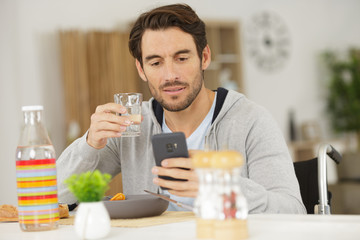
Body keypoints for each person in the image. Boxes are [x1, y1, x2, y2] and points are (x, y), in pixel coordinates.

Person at [57, 3, 306, 214]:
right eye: (156, 62)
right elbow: (55, 196)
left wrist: (222, 187)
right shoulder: (131, 126)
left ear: (204, 57)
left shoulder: (251, 121)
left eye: (182, 58)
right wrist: (89, 145)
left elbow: (293, 210)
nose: (170, 75)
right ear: (141, 70)